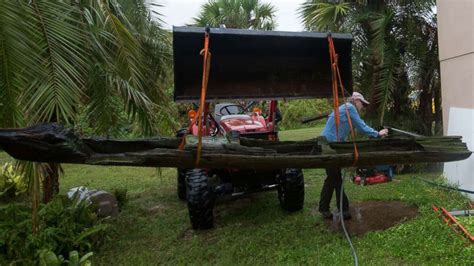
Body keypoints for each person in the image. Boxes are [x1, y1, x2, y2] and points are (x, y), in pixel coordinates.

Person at [319, 92, 388, 220]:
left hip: (327, 144)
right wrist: (378, 133)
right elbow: (361, 126)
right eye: (362, 103)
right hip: (329, 146)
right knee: (336, 178)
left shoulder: (344, 108)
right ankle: (344, 210)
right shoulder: (349, 108)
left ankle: (323, 208)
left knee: (332, 177)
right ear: (356, 101)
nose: (363, 107)